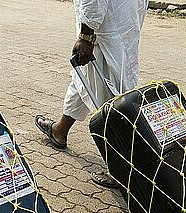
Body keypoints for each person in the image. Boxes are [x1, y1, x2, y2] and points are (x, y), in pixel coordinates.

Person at [35, 0, 149, 188]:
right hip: (123, 24)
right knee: (83, 79)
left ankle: (120, 169)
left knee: (110, 100)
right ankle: (60, 131)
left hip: (103, 34)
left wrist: (86, 36)